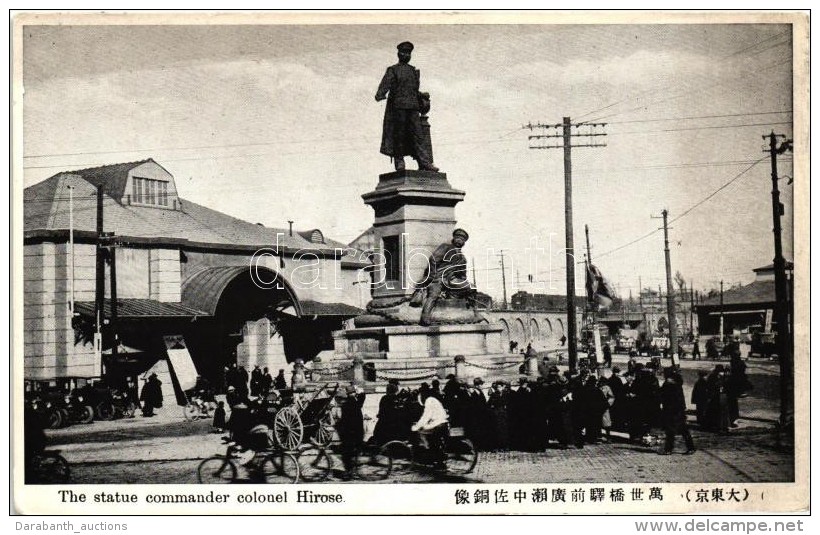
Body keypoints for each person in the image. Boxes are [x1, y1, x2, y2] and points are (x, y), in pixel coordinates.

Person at [375, 41, 438, 172]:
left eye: (408, 53)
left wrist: (421, 94)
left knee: (418, 135)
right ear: (398, 54)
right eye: (404, 52)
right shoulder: (393, 70)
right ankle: (399, 162)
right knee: (399, 135)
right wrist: (380, 94)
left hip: (413, 107)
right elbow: (385, 84)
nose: (406, 55)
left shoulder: (413, 71)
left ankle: (424, 162)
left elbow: (413, 90)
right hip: (398, 108)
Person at [417, 228, 476, 326]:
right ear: (454, 238)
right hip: (439, 278)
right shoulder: (446, 247)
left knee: (471, 287)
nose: (459, 240)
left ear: (464, 242)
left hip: (452, 281)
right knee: (433, 295)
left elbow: (462, 274)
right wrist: (432, 276)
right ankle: (425, 317)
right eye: (457, 238)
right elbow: (433, 260)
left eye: (462, 239)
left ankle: (475, 313)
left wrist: (462, 283)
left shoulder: (462, 258)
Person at [411, 383, 449, 469]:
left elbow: (426, 416)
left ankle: (438, 461)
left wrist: (416, 426)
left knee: (429, 438)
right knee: (427, 433)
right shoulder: (432, 399)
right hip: (441, 422)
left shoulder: (429, 401)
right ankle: (436, 458)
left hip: (439, 424)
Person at [659, 367, 696, 455]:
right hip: (679, 411)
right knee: (683, 430)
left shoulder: (668, 384)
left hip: (671, 411)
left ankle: (668, 449)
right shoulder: (677, 384)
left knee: (670, 431)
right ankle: (691, 448)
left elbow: (663, 397)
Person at [337, 385, 366, 480]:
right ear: (354, 393)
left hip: (352, 434)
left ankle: (349, 472)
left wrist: (337, 426)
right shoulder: (357, 402)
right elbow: (362, 395)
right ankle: (352, 469)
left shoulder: (346, 405)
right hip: (359, 432)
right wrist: (359, 391)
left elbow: (344, 421)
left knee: (346, 453)